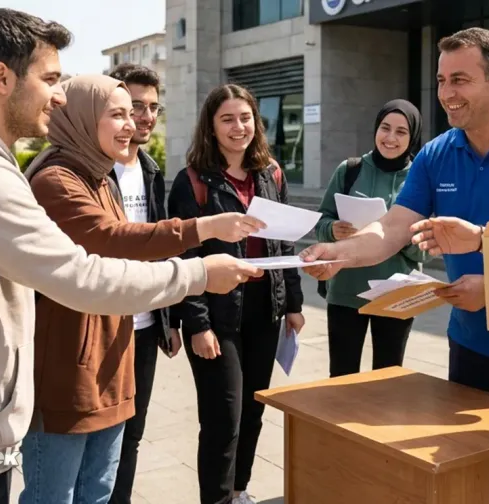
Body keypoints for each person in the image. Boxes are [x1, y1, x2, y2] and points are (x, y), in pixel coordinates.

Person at [0, 9, 262, 504]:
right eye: (50, 78)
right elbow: (82, 277)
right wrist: (200, 272)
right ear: (0, 78)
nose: (59, 95)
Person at [301, 27, 489, 504]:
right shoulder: (439, 154)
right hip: (471, 351)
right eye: (441, 80)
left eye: (460, 79)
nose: (446, 94)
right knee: (478, 484)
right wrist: (340, 255)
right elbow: (393, 227)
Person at [168, 84, 305, 504]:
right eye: (227, 118)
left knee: (253, 411)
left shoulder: (271, 173)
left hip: (265, 310)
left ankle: (240, 489)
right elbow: (183, 254)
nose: (238, 127)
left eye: (245, 118)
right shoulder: (192, 181)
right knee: (223, 417)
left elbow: (284, 245)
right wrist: (197, 324)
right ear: (211, 126)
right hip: (217, 312)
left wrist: (294, 304)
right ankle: (217, 498)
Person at [104, 63, 185, 504]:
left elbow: (162, 248)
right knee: (99, 435)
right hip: (103, 322)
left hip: (146, 323)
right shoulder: (91, 171)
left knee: (132, 434)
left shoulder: (152, 170)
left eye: (153, 107)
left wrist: (168, 316)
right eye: (136, 106)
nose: (146, 116)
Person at [315, 99, 424, 377]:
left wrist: (398, 238)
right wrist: (333, 230)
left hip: (396, 294)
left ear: (412, 138)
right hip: (345, 293)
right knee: (341, 377)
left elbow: (428, 247)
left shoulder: (421, 178)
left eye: (401, 132)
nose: (390, 137)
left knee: (387, 382)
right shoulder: (349, 169)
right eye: (385, 128)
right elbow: (322, 220)